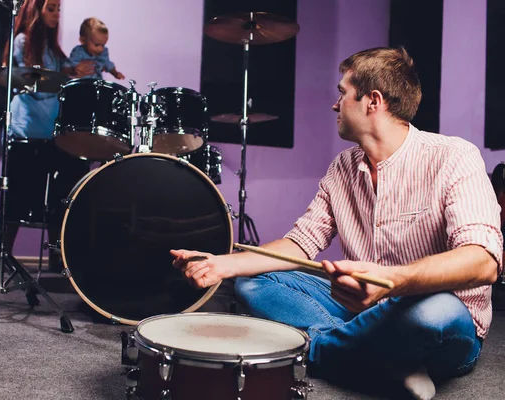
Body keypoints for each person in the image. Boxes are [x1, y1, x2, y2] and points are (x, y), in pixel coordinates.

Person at [171, 47, 503, 400]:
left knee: (430, 312)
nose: (335, 104)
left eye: (342, 92)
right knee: (252, 284)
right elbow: (299, 244)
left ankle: (312, 351)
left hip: (438, 314)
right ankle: (380, 355)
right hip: (359, 307)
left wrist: (394, 283)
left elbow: (483, 261)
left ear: (372, 101)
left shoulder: (453, 157)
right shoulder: (342, 167)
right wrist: (221, 264)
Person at [1, 0, 93, 271]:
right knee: (19, 193)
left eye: (58, 9)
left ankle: (56, 257)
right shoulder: (21, 41)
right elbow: (39, 84)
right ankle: (3, 254)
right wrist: (68, 73)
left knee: (58, 198)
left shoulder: (54, 49)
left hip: (53, 132)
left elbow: (64, 82)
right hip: (27, 131)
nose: (57, 14)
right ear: (35, 10)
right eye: (51, 8)